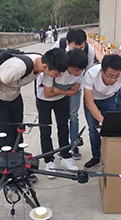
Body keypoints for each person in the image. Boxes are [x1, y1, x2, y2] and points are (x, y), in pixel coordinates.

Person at [0, 48, 68, 150]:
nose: (59, 75)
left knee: (18, 133)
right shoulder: (19, 68)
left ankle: (19, 161)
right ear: (45, 67)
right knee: (5, 137)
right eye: (57, 73)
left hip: (15, 96)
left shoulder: (40, 62)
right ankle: (8, 162)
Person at [35, 49, 88, 178]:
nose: (79, 73)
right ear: (68, 66)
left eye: (82, 70)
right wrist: (65, 91)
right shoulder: (56, 71)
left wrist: (57, 90)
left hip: (60, 100)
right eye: (76, 71)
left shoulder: (79, 71)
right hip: (43, 100)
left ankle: (65, 157)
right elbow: (47, 94)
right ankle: (49, 161)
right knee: (46, 130)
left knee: (63, 128)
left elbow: (75, 91)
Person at [52, 29, 95, 159]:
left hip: (76, 86)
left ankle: (74, 145)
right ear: (67, 43)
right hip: (59, 85)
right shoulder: (58, 47)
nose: (79, 51)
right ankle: (64, 147)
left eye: (81, 47)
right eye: (75, 48)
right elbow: (50, 67)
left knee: (73, 115)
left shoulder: (89, 51)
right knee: (62, 116)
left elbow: (86, 73)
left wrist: (79, 87)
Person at [83, 55, 121, 169]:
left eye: (116, 76)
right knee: (93, 129)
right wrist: (103, 122)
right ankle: (96, 156)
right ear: (102, 71)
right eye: (110, 76)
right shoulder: (91, 74)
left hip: (108, 99)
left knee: (113, 129)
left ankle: (111, 156)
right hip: (92, 99)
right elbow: (89, 103)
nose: (114, 80)